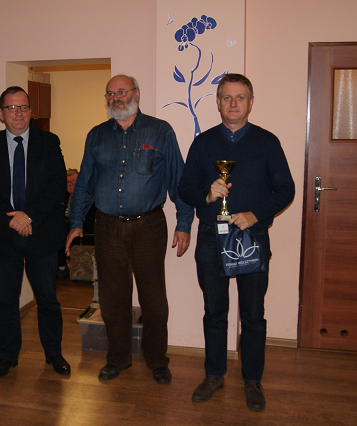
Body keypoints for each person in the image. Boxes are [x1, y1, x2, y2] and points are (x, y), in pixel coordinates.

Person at [65, 74, 193, 385]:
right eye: (110, 94)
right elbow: (84, 184)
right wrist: (76, 222)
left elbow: (178, 181)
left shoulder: (160, 131)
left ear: (136, 93)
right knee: (112, 300)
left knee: (153, 299)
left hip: (149, 226)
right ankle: (118, 358)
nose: (116, 98)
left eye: (121, 92)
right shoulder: (96, 135)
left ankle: (157, 360)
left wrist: (184, 224)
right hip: (107, 228)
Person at [178, 73, 295, 411]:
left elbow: (286, 189)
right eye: (226, 98)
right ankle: (214, 375)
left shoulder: (267, 142)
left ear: (250, 102)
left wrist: (255, 214)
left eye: (239, 98)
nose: (233, 104)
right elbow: (185, 188)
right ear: (217, 103)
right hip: (211, 239)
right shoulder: (202, 143)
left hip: (252, 236)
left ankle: (252, 380)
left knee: (253, 314)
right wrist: (206, 194)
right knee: (214, 311)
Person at [0, 86, 70, 379]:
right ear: (0, 113)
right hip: (4, 235)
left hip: (42, 234)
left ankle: (54, 354)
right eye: (12, 108)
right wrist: (12, 220)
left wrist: (29, 216)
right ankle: (7, 356)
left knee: (47, 300)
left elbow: (57, 186)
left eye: (24, 107)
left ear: (31, 112)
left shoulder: (49, 142)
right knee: (6, 302)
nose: (18, 113)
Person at [56, 169, 79, 280]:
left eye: (74, 181)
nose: (71, 184)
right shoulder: (62, 197)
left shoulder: (86, 197)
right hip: (63, 227)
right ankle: (61, 267)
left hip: (80, 229)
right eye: (68, 182)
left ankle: (62, 267)